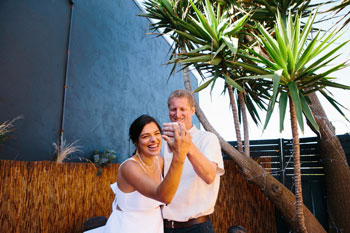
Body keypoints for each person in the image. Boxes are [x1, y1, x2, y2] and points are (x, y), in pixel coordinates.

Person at [103, 114, 191, 233]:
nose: (154, 140)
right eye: (145, 136)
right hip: (127, 228)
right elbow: (163, 196)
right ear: (135, 142)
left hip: (154, 226)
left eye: (156, 133)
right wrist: (179, 155)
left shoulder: (159, 161)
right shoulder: (129, 167)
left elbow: (175, 182)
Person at [161, 89, 225, 233]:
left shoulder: (207, 139)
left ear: (192, 110)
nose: (177, 114)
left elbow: (209, 176)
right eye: (173, 109)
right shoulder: (163, 143)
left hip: (197, 227)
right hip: (165, 227)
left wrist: (187, 143)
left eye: (182, 109)